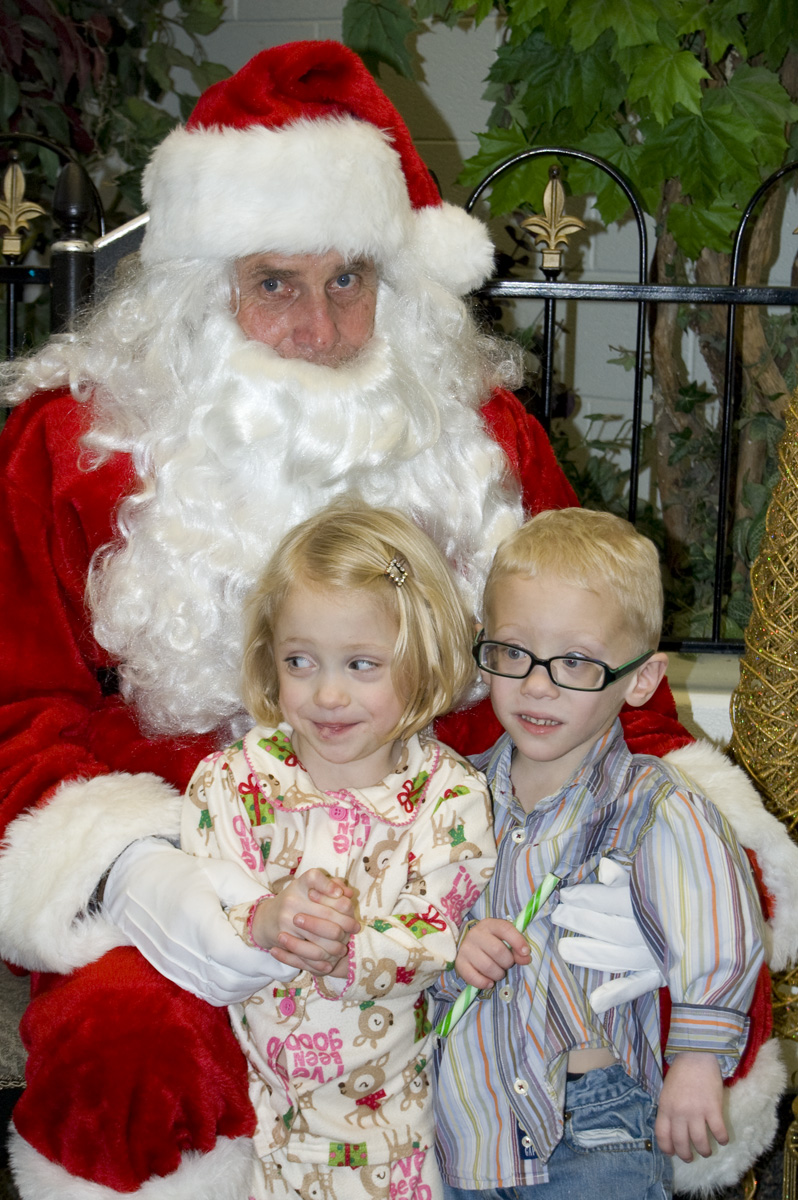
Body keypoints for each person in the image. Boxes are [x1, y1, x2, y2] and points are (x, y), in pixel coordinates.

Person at [0, 36, 794, 1200]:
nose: (322, 331)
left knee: (672, 988)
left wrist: (676, 859)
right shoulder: (73, 448)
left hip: (470, 843)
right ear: (200, 290)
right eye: (275, 284)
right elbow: (15, 703)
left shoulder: (480, 434)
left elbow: (593, 656)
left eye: (350, 280)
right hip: (201, 854)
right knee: (131, 1061)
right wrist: (128, 873)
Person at [433, 509, 766, 1199]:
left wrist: (697, 1061)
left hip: (595, 1130)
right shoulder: (450, 794)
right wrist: (451, 944)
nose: (538, 684)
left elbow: (719, 929)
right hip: (462, 1126)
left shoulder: (656, 803)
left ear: (640, 680)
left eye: (577, 662)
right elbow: (412, 910)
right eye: (513, 652)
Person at [181, 500, 497, 1199]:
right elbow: (195, 906)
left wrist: (345, 951)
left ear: (422, 661)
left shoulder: (448, 798)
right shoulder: (233, 781)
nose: (327, 694)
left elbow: (435, 935)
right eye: (300, 661)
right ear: (270, 659)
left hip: (390, 1138)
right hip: (254, 1127)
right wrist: (264, 921)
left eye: (361, 664)